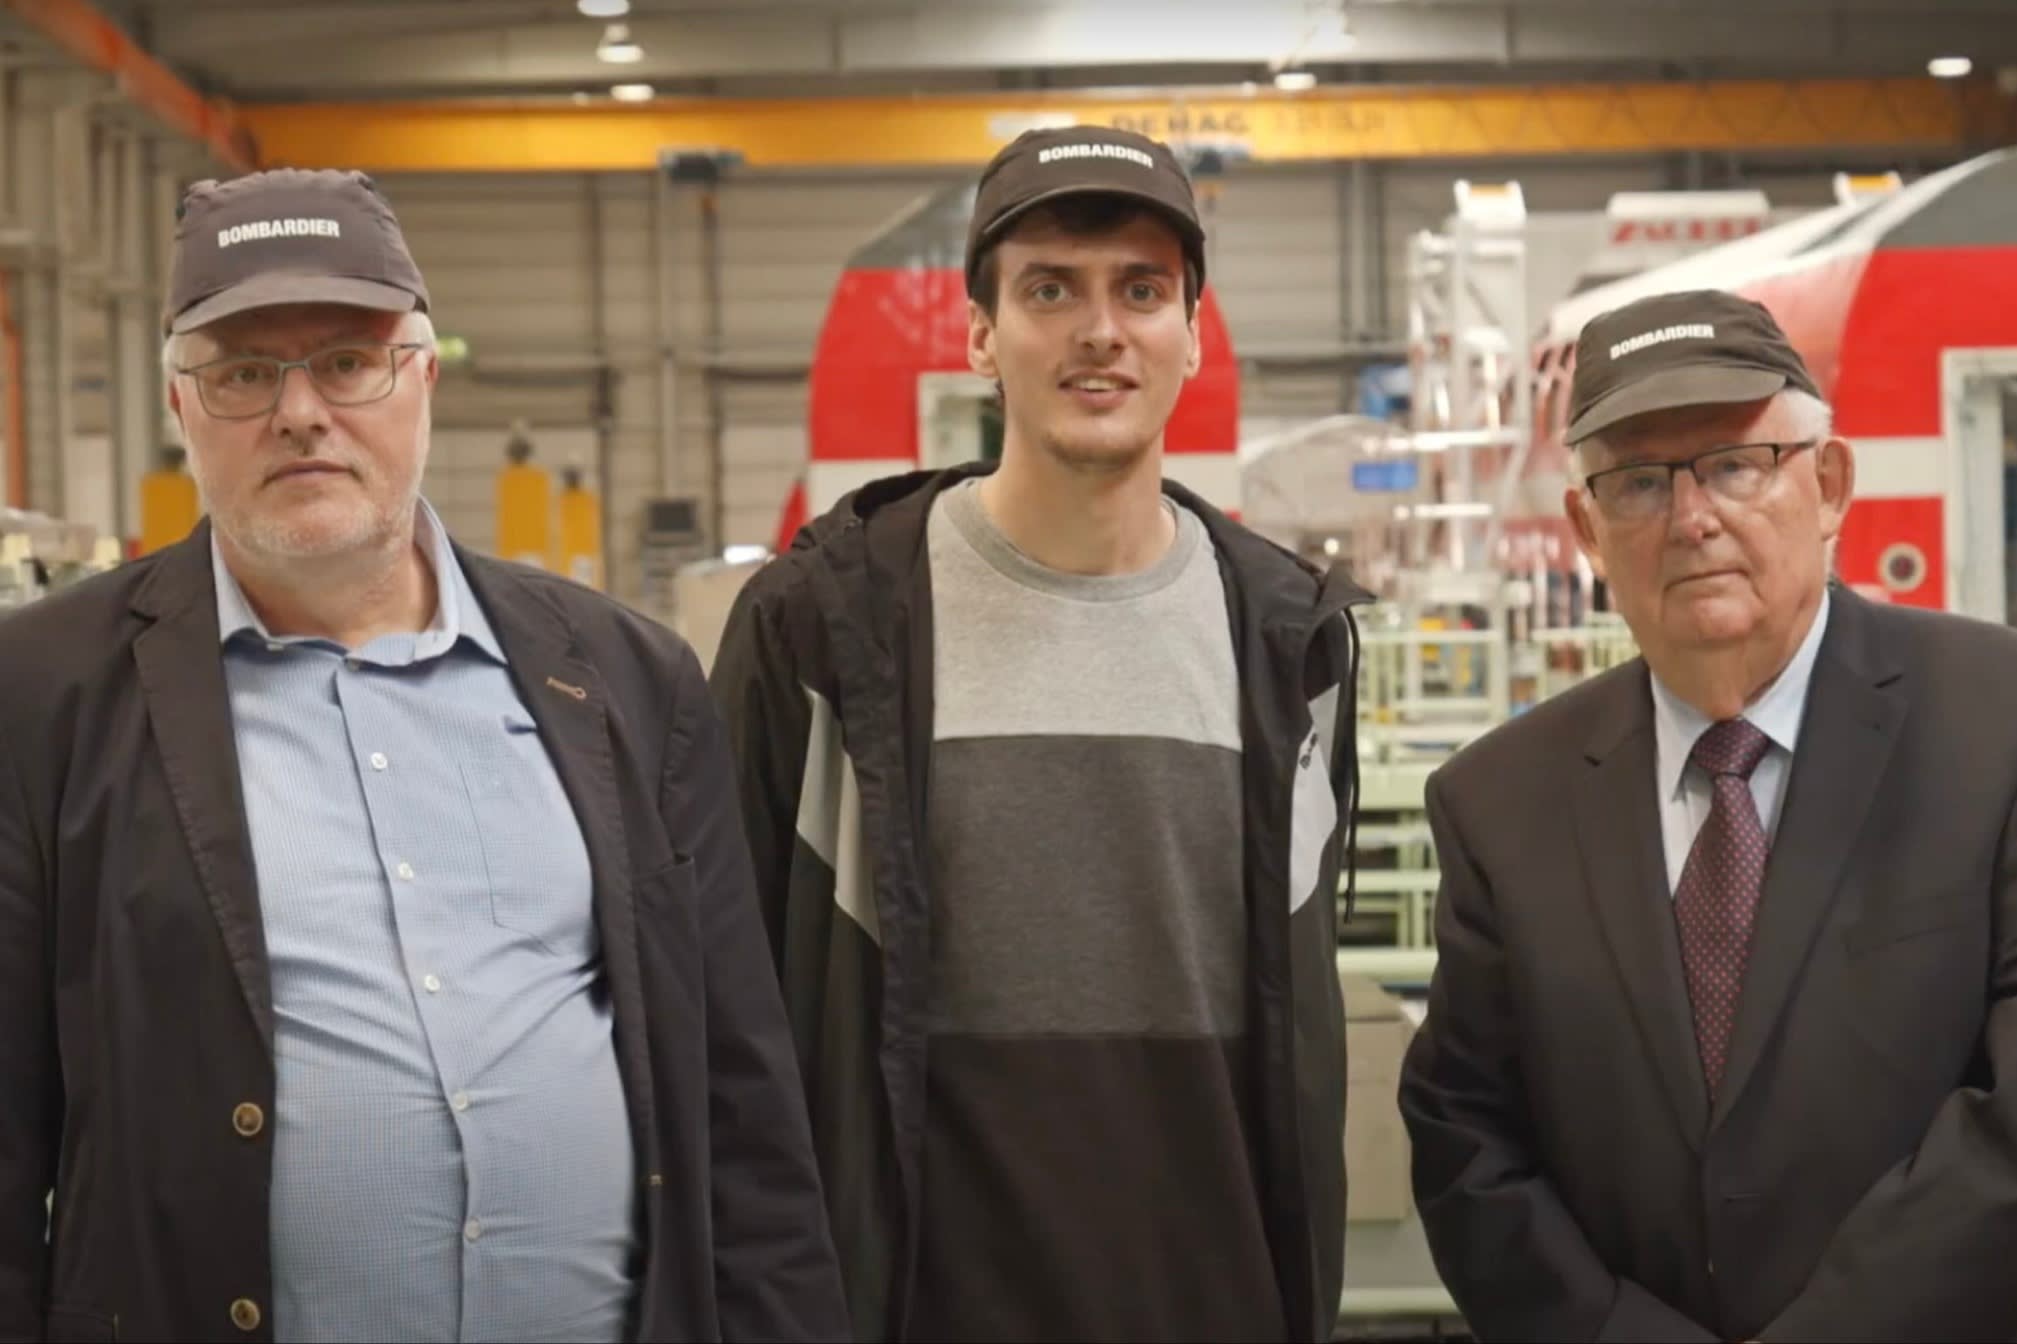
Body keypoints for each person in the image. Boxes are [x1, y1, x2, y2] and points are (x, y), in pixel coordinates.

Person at [0, 168, 848, 1343]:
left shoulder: (624, 678)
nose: (300, 411)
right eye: (246, 372)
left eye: (347, 363)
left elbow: (743, 1109)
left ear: (423, 378)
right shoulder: (43, 695)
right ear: (181, 406)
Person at [710, 125, 1367, 1343]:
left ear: (1190, 335)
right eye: (1049, 288)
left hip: (1211, 1295)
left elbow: (1299, 1038)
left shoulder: (1292, 646)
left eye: (1142, 291)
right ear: (979, 335)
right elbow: (723, 1022)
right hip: (914, 1305)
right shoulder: (821, 630)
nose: (1098, 329)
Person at [1398, 289, 2017, 1342]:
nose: (1691, 518)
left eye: (1735, 465)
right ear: (1587, 529)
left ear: (1826, 485)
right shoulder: (1498, 805)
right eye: (1638, 481)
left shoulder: (1993, 723)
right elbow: (1467, 1141)